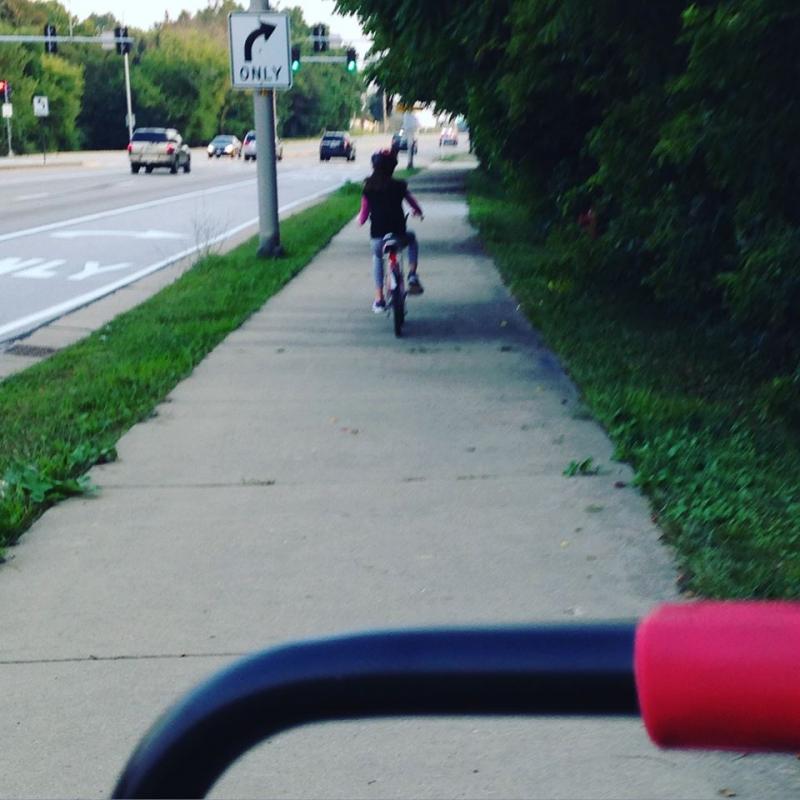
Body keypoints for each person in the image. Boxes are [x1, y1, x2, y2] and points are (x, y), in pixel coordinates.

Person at [358, 148, 424, 313]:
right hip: (399, 234)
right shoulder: (400, 186)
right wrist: (418, 212)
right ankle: (412, 274)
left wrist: (361, 222)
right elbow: (412, 202)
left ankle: (379, 298)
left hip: (378, 237)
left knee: (377, 258)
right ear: (392, 168)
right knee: (412, 239)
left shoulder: (368, 188)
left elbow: (364, 213)